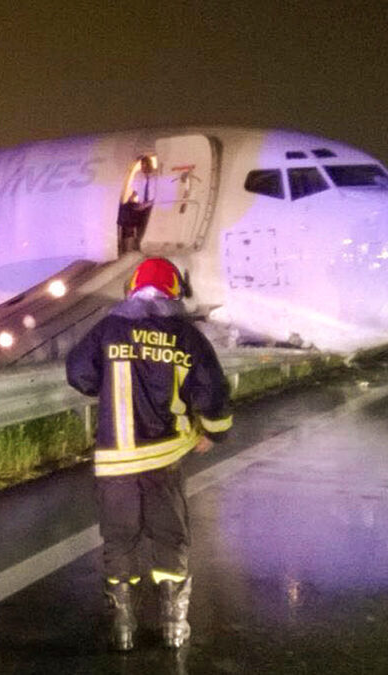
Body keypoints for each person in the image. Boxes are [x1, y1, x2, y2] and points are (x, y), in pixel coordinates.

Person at [66, 257, 232, 651]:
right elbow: (212, 390)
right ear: (175, 291)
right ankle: (174, 627)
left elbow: (77, 371)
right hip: (163, 460)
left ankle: (123, 629)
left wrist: (103, 388)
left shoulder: (109, 328)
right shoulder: (185, 336)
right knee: (170, 539)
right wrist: (212, 431)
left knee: (119, 541)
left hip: (115, 461)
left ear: (134, 288)